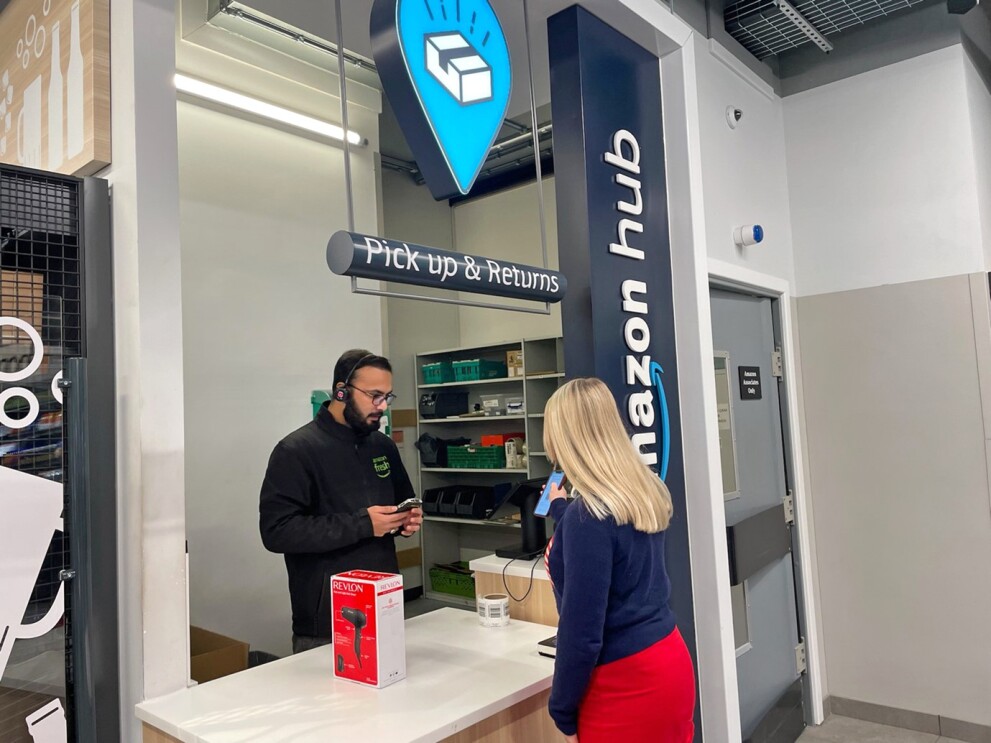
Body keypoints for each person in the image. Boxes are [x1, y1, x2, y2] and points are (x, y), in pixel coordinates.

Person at [542, 377, 696, 743]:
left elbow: (582, 633)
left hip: (624, 685)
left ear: (565, 438)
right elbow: (606, 545)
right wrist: (562, 508)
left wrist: (562, 709)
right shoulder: (642, 489)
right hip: (667, 660)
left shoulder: (588, 517)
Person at [259, 349, 423, 654]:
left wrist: (405, 521)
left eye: (388, 396)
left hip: (383, 605)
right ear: (341, 391)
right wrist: (363, 524)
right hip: (327, 623)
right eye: (375, 396)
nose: (383, 406)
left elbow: (402, 500)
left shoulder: (382, 446)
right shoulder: (296, 450)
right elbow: (277, 531)